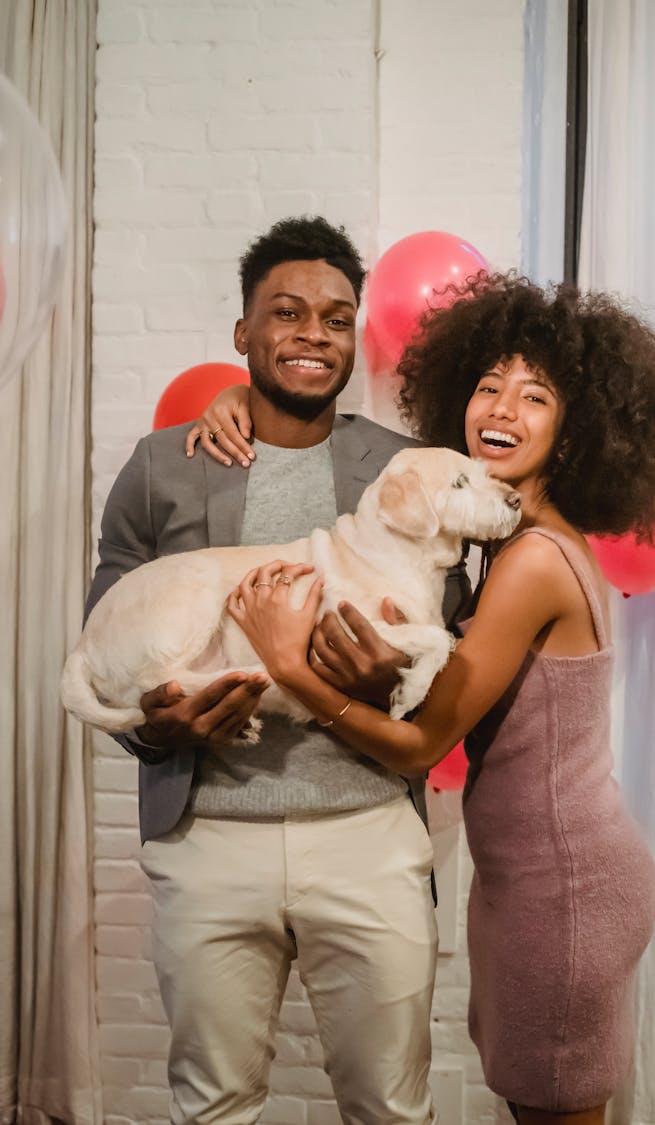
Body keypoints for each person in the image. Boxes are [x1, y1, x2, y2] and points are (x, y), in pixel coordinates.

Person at [220, 273, 655, 1125]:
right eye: (488, 386)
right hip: (540, 881)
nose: (502, 407)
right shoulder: (516, 541)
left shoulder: (534, 562)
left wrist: (289, 668)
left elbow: (419, 745)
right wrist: (236, 395)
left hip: (565, 890)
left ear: (578, 427)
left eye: (536, 394)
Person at [87, 215, 471, 1125]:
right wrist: (153, 726)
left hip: (369, 836)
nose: (312, 334)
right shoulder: (161, 469)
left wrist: (380, 678)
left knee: (390, 1106)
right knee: (213, 1106)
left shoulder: (402, 468)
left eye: (336, 319)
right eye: (286, 313)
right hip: (207, 839)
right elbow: (105, 637)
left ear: (353, 337)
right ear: (244, 334)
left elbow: (447, 641)